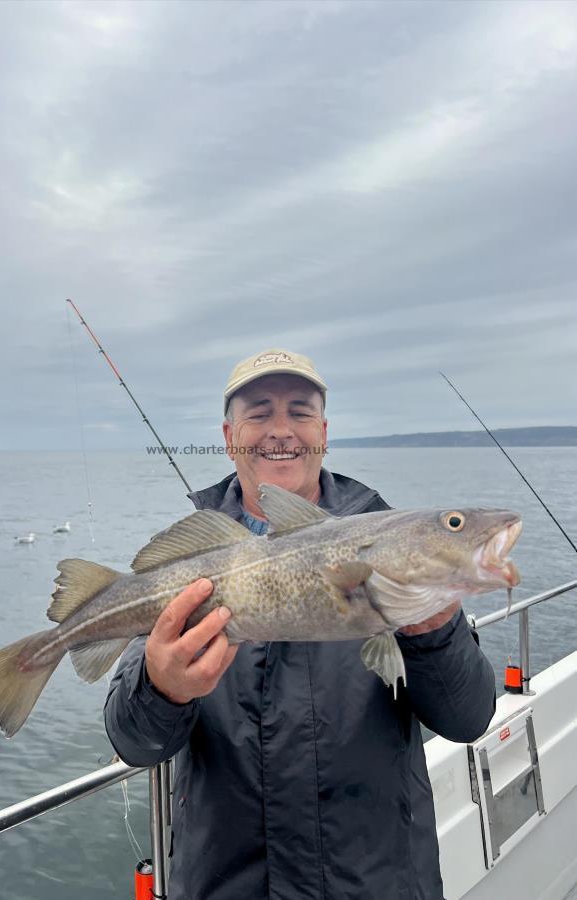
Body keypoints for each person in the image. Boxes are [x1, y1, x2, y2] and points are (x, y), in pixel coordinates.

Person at [104, 349, 496, 900]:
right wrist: (162, 689)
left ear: (325, 430)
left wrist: (432, 630)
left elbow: (468, 717)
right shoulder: (186, 568)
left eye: (301, 411)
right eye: (259, 413)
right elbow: (134, 742)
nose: (281, 431)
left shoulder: (390, 541)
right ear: (229, 434)